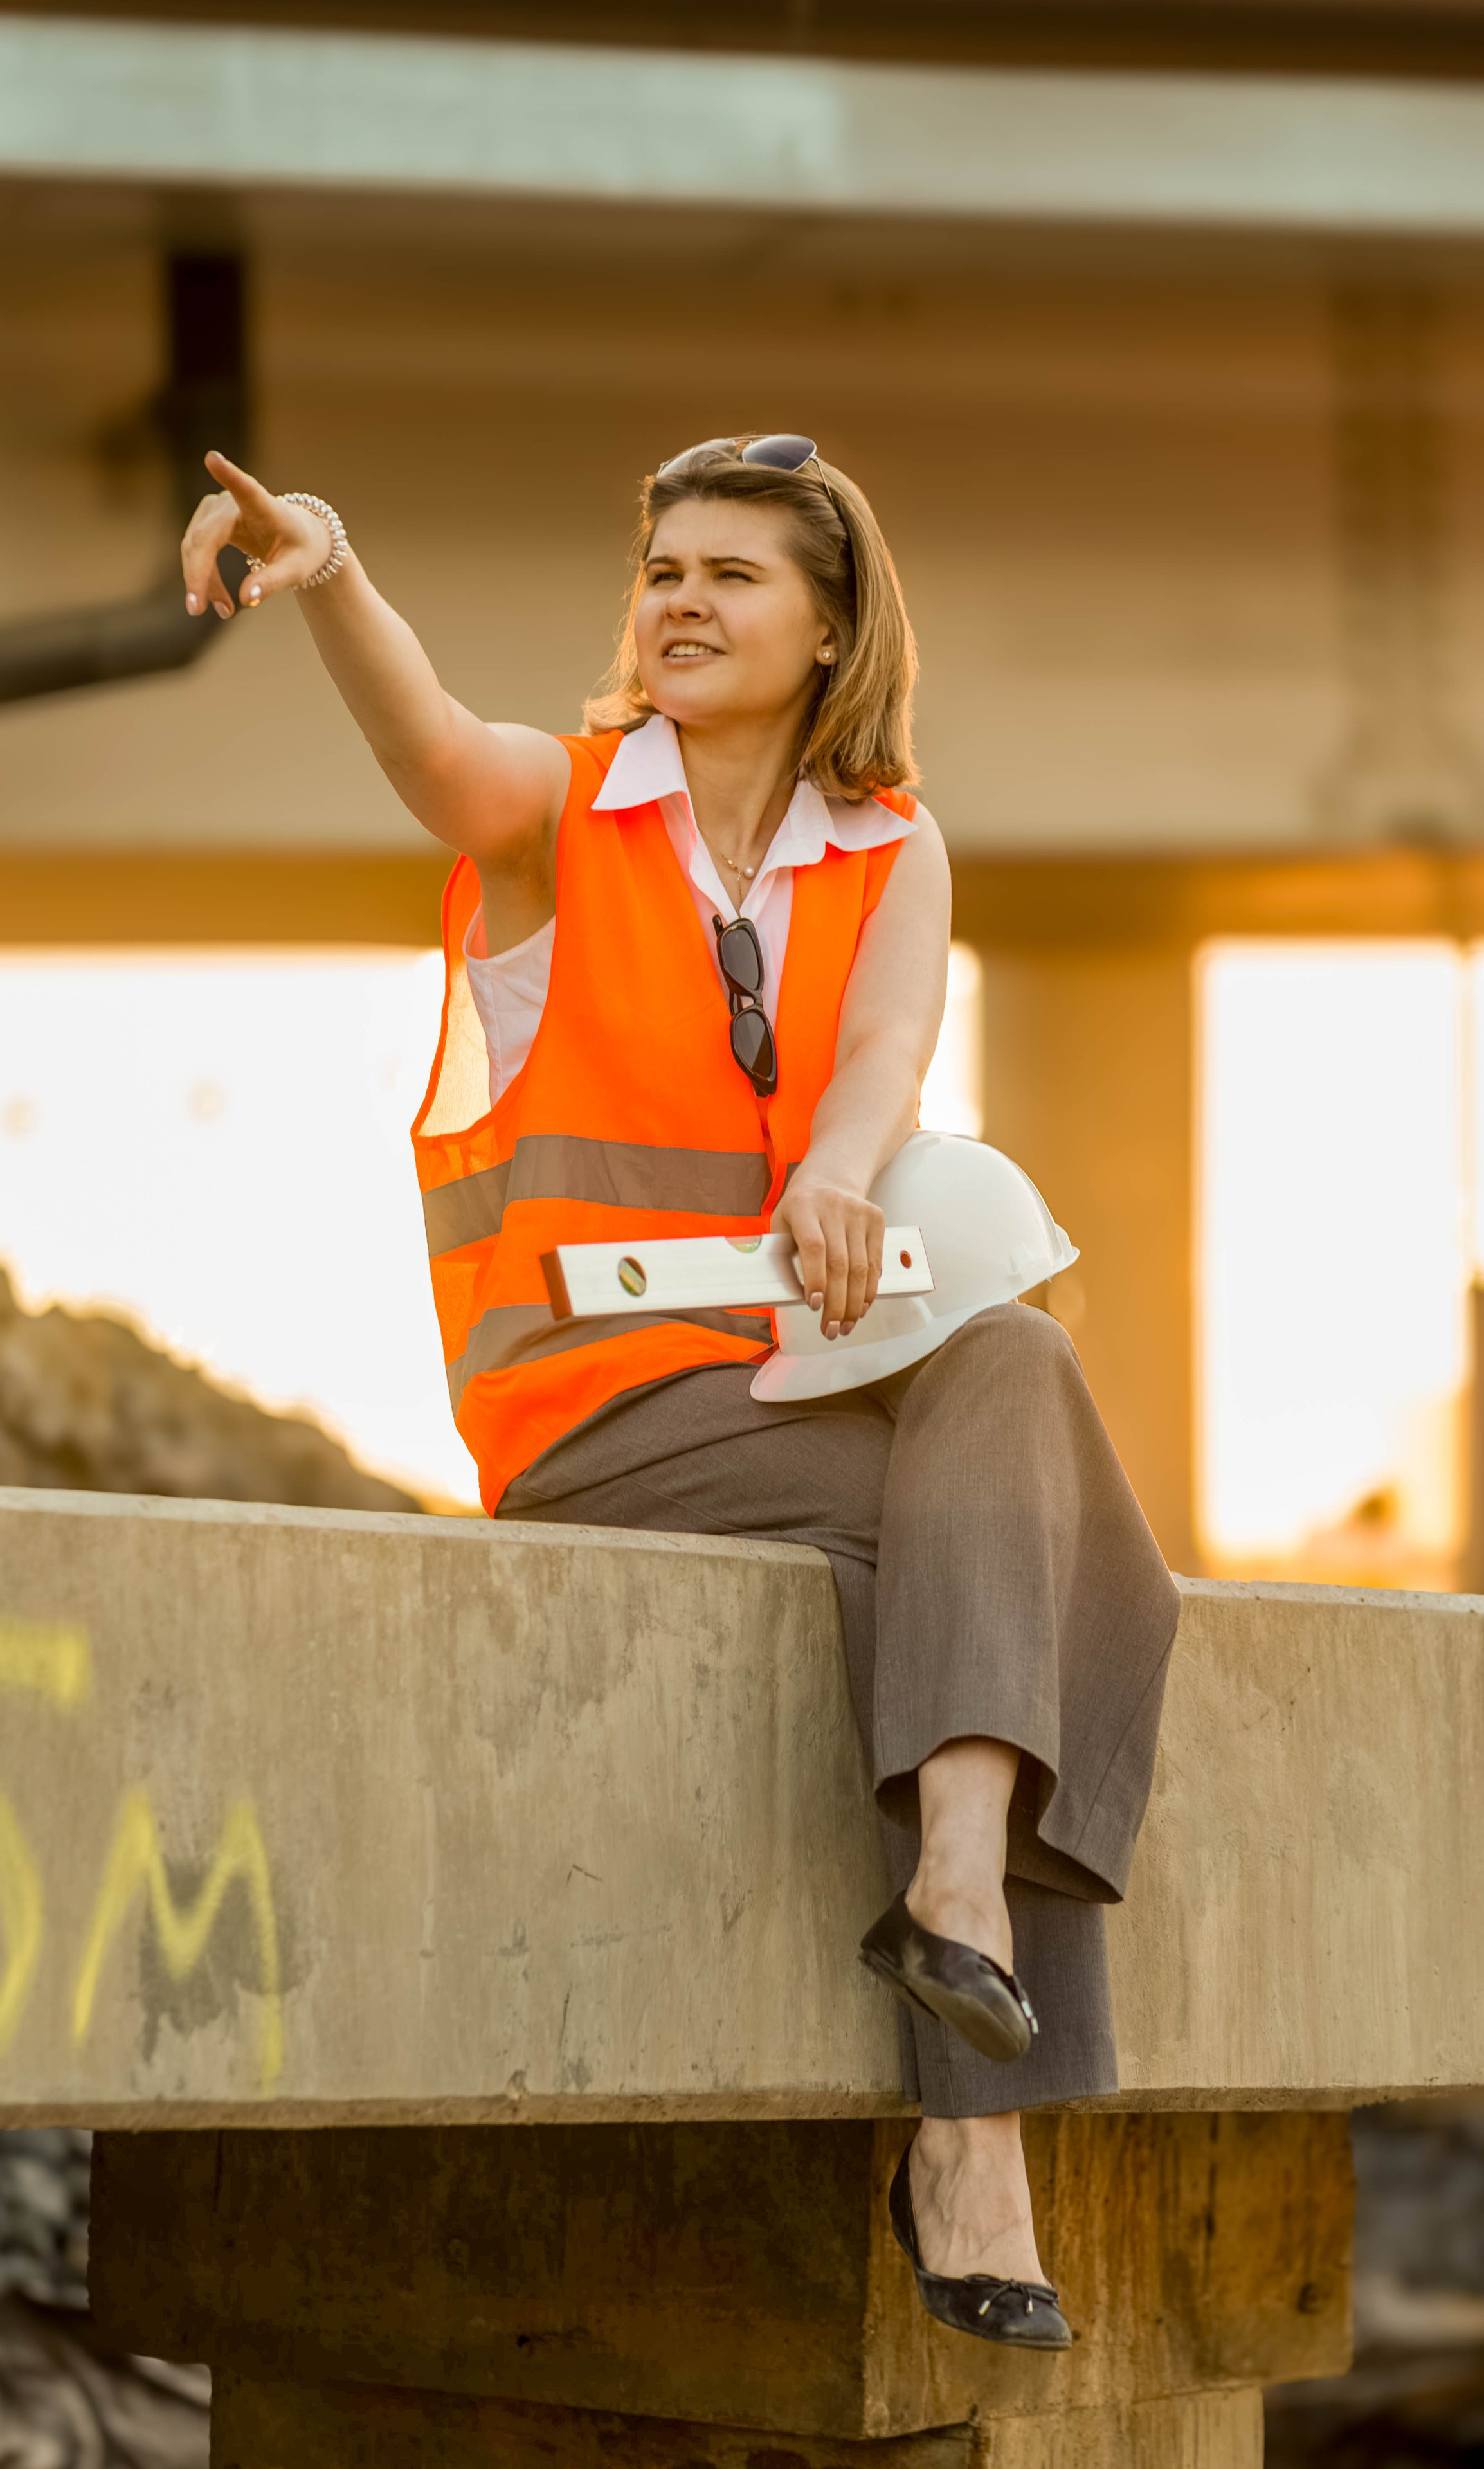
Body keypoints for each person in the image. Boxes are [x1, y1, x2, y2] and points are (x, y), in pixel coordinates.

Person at [181, 435, 1180, 2351]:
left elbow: (885, 1052)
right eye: (663, 569)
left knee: (1018, 1361)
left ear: (827, 628)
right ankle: (982, 2145)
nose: (683, 601)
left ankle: (958, 1892)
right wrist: (333, 578)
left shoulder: (890, 841)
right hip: (597, 1409)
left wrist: (838, 1168)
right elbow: (429, 753)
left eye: (733, 573)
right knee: (1037, 1563)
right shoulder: (558, 811)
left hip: (810, 1390)